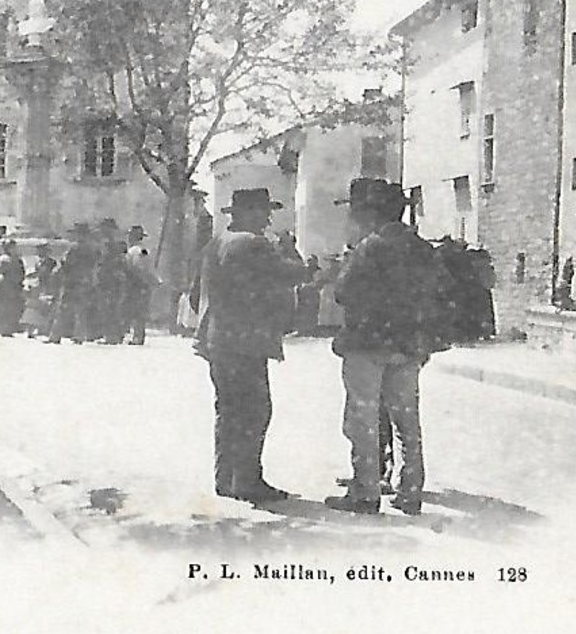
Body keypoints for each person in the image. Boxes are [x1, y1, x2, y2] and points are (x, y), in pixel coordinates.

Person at [324, 179, 451, 516]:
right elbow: (439, 295)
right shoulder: (423, 248)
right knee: (406, 419)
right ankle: (411, 491)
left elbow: (343, 291)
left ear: (371, 213)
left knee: (363, 419)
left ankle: (365, 492)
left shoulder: (370, 246)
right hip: (409, 343)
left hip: (369, 342)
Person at [192, 188, 308, 503]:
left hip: (217, 339)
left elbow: (194, 296)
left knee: (228, 410)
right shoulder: (253, 244)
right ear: (244, 213)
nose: (268, 217)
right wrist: (303, 261)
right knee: (255, 411)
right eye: (262, 210)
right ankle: (247, 481)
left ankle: (225, 478)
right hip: (245, 341)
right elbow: (290, 274)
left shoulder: (214, 244)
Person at [48, 224, 96, 344]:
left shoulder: (73, 248)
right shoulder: (91, 249)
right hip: (84, 282)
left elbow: (65, 263)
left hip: (71, 281)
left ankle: (55, 336)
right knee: (80, 311)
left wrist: (58, 274)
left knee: (62, 310)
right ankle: (79, 336)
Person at [123, 226, 158, 345]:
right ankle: (138, 335)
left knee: (136, 310)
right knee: (140, 311)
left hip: (136, 284)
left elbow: (138, 268)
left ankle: (137, 337)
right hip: (142, 284)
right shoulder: (144, 250)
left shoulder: (134, 251)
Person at [0, 238, 26, 336]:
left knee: (8, 308)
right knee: (1, 307)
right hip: (6, 285)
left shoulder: (16, 259)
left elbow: (21, 273)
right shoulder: (6, 259)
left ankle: (4, 329)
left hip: (12, 286)